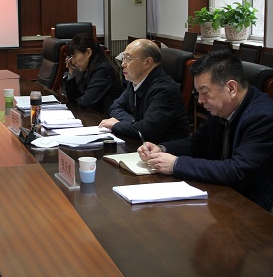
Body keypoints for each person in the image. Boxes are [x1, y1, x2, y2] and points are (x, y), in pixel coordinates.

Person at [138, 50, 273, 211]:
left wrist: (176, 164)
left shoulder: (263, 117)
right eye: (198, 93)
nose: (201, 100)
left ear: (231, 88)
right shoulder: (222, 108)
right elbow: (196, 143)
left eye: (205, 92)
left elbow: (238, 171)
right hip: (224, 194)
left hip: (255, 207)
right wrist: (162, 148)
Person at [99, 39, 189, 142]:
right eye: (124, 58)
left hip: (165, 148)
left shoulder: (165, 90)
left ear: (147, 62)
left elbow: (148, 130)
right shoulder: (135, 81)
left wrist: (117, 125)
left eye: (128, 58)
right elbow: (115, 106)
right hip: (143, 144)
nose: (123, 64)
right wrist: (134, 123)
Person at [62, 34, 123, 113]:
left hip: (106, 116)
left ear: (88, 52)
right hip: (93, 113)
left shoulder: (102, 70)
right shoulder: (89, 67)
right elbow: (73, 96)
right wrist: (71, 71)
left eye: (74, 56)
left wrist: (75, 100)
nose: (73, 62)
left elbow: (85, 102)